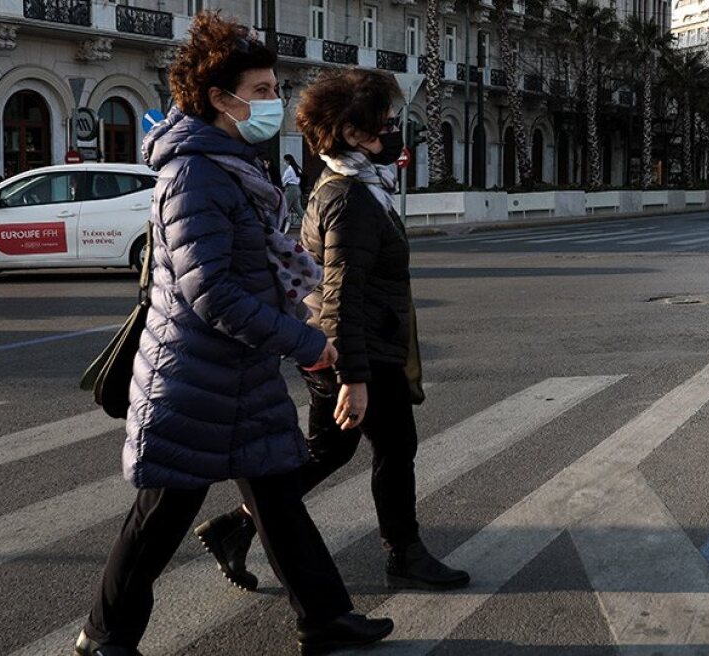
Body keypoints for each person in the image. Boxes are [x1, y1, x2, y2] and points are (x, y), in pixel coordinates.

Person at [74, 13, 392, 656]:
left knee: (277, 497)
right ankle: (105, 637)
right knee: (161, 514)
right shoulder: (195, 174)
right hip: (194, 376)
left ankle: (326, 618)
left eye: (275, 88)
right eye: (265, 91)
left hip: (236, 372)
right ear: (221, 99)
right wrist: (306, 341)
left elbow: (258, 262)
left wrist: (300, 310)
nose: (277, 102)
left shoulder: (230, 163)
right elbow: (210, 291)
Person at [195, 67, 470, 596]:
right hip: (357, 348)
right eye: (382, 124)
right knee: (396, 448)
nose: (391, 133)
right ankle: (405, 554)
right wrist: (355, 377)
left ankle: (237, 526)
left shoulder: (354, 186)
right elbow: (342, 291)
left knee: (328, 451)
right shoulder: (349, 199)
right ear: (350, 133)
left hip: (344, 344)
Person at [283, 153, 305, 227]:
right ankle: (308, 222)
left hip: (290, 189)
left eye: (285, 160)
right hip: (297, 189)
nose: (284, 162)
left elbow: (284, 179)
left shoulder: (289, 169)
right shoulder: (297, 168)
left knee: (284, 207)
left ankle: (283, 225)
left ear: (288, 161)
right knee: (298, 209)